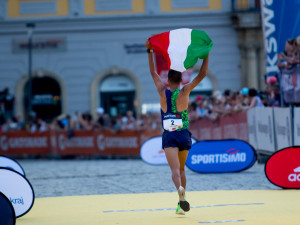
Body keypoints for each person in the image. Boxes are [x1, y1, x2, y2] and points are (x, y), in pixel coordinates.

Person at [145, 39, 209, 215]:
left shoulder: (161, 91)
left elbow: (152, 71)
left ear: (167, 78)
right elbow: (203, 74)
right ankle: (181, 202)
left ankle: (179, 190)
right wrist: (206, 54)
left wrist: (149, 51)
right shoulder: (185, 91)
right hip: (183, 134)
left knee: (174, 170)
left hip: (169, 135)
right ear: (181, 79)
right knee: (182, 169)